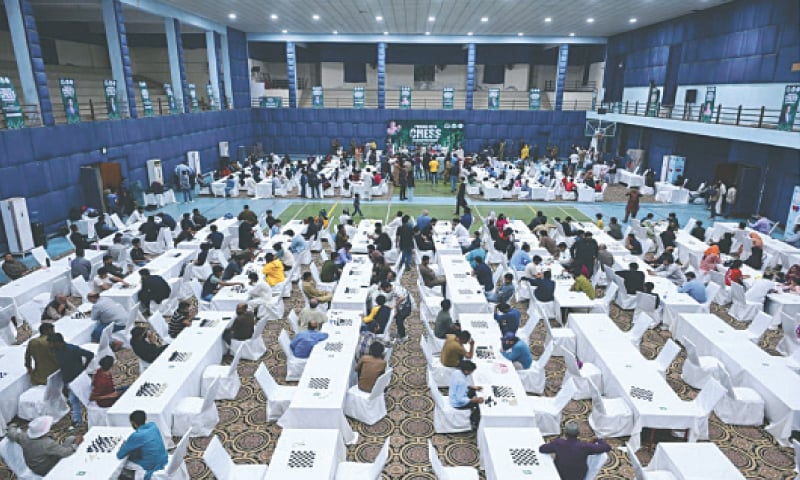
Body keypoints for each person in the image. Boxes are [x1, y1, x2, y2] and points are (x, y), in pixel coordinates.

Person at [7, 415, 82, 476]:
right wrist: (76, 444)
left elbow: (11, 434)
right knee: (72, 440)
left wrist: (12, 425)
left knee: (70, 439)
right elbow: (66, 453)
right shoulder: (47, 443)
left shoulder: (24, 437)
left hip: (34, 466)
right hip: (47, 469)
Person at [49, 333, 94, 427]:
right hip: (69, 380)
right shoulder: (56, 351)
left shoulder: (72, 349)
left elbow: (90, 354)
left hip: (78, 379)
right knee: (74, 400)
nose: (50, 345)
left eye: (51, 343)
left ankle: (81, 420)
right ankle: (78, 420)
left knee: (81, 399)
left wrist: (84, 367)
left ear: (57, 342)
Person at [539, 421, 611, 480]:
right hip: (579, 476)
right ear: (578, 434)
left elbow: (542, 449)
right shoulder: (585, 446)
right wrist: (598, 439)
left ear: (565, 434)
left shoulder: (558, 443)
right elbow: (607, 447)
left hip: (560, 475)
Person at [117, 410, 169, 479]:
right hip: (163, 459)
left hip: (150, 466)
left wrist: (124, 445)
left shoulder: (136, 436)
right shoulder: (153, 426)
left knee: (124, 462)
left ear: (133, 423)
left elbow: (120, 455)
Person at [449, 360, 484, 430]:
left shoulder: (457, 372)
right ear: (466, 371)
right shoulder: (462, 382)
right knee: (479, 405)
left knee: (474, 392)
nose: (472, 373)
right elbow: (460, 399)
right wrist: (473, 400)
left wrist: (472, 387)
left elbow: (459, 384)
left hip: (452, 395)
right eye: (471, 371)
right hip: (457, 403)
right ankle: (474, 421)